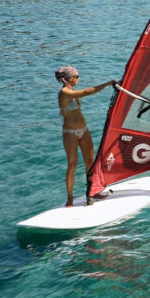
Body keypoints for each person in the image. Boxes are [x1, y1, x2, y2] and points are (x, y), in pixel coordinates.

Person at [56, 65, 116, 207]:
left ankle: (93, 191)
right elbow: (87, 92)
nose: (78, 78)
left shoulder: (71, 90)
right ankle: (70, 198)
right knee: (72, 164)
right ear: (70, 78)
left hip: (83, 129)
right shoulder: (64, 93)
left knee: (90, 162)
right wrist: (107, 84)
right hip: (70, 132)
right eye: (76, 76)